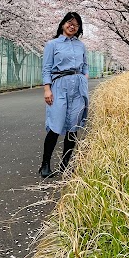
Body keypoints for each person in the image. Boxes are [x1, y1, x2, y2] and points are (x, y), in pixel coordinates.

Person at [39, 12, 89, 178]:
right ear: (62, 24)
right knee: (56, 125)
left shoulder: (81, 46)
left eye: (76, 24)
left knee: (73, 127)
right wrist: (47, 89)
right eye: (69, 22)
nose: (72, 26)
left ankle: (65, 164)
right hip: (59, 85)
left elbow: (85, 66)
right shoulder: (52, 44)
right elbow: (46, 68)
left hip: (77, 87)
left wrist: (84, 78)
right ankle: (45, 164)